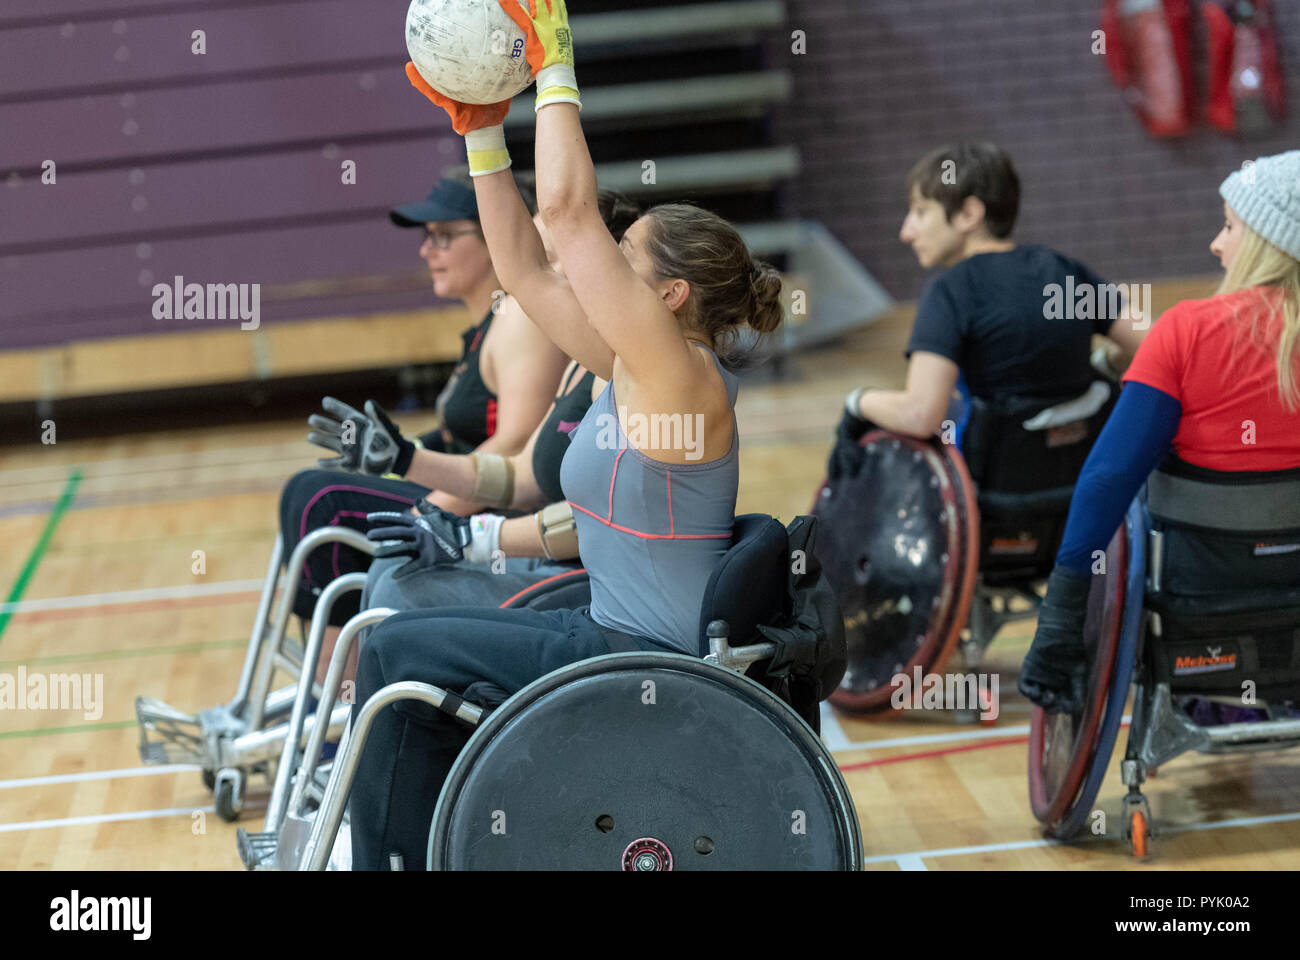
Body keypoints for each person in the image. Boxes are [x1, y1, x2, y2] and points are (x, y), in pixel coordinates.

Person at [346, 0, 784, 870]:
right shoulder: (633, 366)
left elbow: (568, 218)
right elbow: (523, 268)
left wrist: (555, 65)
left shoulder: (682, 377)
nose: (604, 258)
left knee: (393, 643)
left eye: (628, 253)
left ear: (670, 297)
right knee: (407, 645)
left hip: (637, 661)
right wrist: (479, 133)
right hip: (601, 632)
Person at [1020, 150, 1300, 713]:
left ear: (1270, 242)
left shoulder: (1185, 331)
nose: (1217, 245)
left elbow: (1106, 479)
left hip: (1200, 596)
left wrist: (1060, 618)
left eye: (1230, 227)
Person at [278, 169, 567, 637]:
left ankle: (336, 694)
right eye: (428, 237)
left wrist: (424, 515)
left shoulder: (518, 317)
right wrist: (399, 454)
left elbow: (515, 442)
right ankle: (323, 689)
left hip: (500, 510)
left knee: (320, 499)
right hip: (475, 494)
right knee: (313, 492)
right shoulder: (489, 324)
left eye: (445, 236)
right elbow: (461, 437)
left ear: (496, 233)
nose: (426, 250)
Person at [359, 190, 642, 615]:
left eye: (549, 260)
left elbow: (603, 521)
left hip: (597, 590)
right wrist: (404, 460)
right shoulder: (580, 365)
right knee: (394, 567)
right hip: (547, 559)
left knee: (397, 588)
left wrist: (475, 536)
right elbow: (517, 477)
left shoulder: (635, 373)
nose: (537, 278)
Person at [831, 142, 1147, 478]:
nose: (906, 232)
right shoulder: (1064, 271)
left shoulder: (950, 292)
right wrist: (1109, 363)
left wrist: (858, 400)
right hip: (1083, 492)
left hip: (995, 502)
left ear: (969, 214)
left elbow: (920, 415)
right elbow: (1157, 343)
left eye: (921, 212)